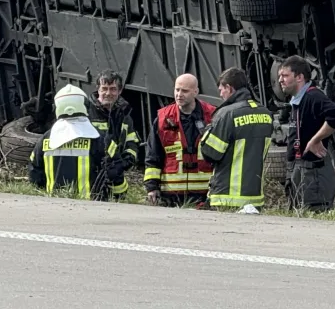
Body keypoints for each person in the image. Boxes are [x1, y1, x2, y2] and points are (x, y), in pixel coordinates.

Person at [277, 56, 335, 213]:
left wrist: (316, 139)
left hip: (313, 177)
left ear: (299, 77)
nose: (280, 80)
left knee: (314, 217)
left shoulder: (313, 96)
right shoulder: (298, 100)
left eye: (285, 75)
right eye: (280, 76)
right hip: (301, 174)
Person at [199, 67, 274, 211]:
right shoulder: (266, 113)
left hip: (226, 196)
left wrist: (207, 133)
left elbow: (211, 153)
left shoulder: (227, 114)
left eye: (221, 90)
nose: (220, 94)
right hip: (255, 197)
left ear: (229, 88)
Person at [29, 84, 115, 200]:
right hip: (92, 206)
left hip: (54, 204)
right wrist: (119, 195)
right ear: (85, 106)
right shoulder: (99, 138)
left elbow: (34, 172)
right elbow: (115, 170)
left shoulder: (46, 138)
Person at [143, 73, 216, 207]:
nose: (179, 94)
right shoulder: (163, 118)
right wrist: (152, 186)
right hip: (171, 195)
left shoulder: (212, 116)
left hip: (205, 194)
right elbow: (153, 155)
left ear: (196, 92)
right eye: (177, 90)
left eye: (185, 91)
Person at [87, 70, 141, 200]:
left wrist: (123, 163)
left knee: (116, 205)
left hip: (115, 172)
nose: (108, 93)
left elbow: (132, 142)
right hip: (90, 171)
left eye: (112, 89)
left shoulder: (124, 115)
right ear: (98, 90)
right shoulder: (88, 112)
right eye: (104, 89)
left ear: (120, 91)